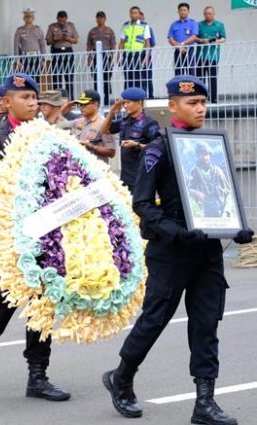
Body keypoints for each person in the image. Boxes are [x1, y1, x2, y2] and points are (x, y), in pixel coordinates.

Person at [102, 75, 253, 425]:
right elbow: (142, 204)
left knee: (205, 325)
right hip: (170, 251)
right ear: (173, 107)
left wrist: (237, 227)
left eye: (203, 103)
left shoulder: (211, 146)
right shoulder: (160, 147)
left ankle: (205, 402)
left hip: (207, 253)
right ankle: (121, 377)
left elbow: (222, 198)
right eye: (192, 103)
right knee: (155, 319)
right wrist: (176, 232)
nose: (200, 109)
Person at [0, 73, 70, 401]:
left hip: (47, 229)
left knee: (44, 299)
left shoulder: (44, 135)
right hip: (12, 232)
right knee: (7, 299)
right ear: (6, 102)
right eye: (24, 97)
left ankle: (37, 375)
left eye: (34, 97)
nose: (32, 102)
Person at [101, 87, 160, 193]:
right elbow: (104, 130)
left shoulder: (149, 123)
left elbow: (158, 148)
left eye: (128, 102)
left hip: (142, 178)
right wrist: (112, 113)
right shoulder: (124, 121)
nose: (125, 106)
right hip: (126, 177)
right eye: (124, 103)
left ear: (139, 102)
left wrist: (136, 145)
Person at [61, 89, 116, 163]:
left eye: (85, 104)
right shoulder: (78, 121)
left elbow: (111, 152)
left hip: (96, 170)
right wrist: (62, 111)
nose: (82, 107)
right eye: (80, 105)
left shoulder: (104, 124)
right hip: (79, 169)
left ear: (95, 105)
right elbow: (55, 125)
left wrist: (91, 146)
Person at [188, 142, 230, 218]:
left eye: (206, 154)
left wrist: (226, 212)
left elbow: (228, 192)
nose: (204, 157)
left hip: (220, 210)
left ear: (210, 155)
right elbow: (187, 191)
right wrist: (196, 193)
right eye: (201, 154)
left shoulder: (218, 171)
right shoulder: (194, 172)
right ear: (198, 156)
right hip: (202, 211)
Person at [118, 7, 152, 96]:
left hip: (139, 54)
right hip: (128, 54)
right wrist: (119, 55)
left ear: (139, 14)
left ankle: (141, 98)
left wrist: (146, 57)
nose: (133, 15)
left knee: (140, 78)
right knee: (128, 77)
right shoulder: (125, 25)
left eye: (135, 13)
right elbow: (121, 42)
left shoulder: (144, 25)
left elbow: (147, 42)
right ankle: (127, 98)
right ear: (129, 14)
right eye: (132, 13)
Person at [46, 11, 78, 99]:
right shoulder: (52, 27)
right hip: (57, 52)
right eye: (60, 21)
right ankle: (57, 98)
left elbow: (76, 40)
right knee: (57, 76)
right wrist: (56, 38)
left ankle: (70, 98)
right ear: (57, 19)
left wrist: (67, 38)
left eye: (64, 21)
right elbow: (48, 41)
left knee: (69, 76)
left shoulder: (71, 26)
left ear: (66, 19)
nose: (62, 23)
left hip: (68, 51)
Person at [197, 6, 226, 104]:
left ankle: (213, 99)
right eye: (205, 13)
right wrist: (202, 40)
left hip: (213, 56)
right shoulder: (199, 25)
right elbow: (195, 38)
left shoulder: (219, 25)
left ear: (213, 14)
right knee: (200, 79)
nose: (207, 15)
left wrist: (214, 41)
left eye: (209, 13)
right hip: (200, 56)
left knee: (212, 78)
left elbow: (223, 38)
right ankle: (202, 98)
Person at [87, 11, 116, 105]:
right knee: (96, 78)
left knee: (106, 78)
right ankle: (97, 101)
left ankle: (107, 100)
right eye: (98, 18)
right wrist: (89, 57)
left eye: (101, 17)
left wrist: (112, 58)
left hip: (107, 56)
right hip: (95, 55)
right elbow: (89, 45)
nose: (100, 19)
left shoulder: (109, 31)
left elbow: (113, 45)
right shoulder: (92, 31)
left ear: (105, 19)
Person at [12, 8, 47, 84]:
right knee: (25, 78)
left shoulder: (38, 29)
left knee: (37, 79)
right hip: (25, 57)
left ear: (33, 18)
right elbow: (16, 46)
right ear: (24, 18)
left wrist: (43, 59)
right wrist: (17, 61)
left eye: (30, 16)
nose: (28, 18)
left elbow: (42, 45)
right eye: (27, 17)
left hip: (36, 57)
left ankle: (36, 94)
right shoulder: (20, 30)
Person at [168, 3, 199, 76]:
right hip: (178, 51)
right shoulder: (174, 24)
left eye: (185, 10)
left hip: (189, 50)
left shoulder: (193, 23)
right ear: (178, 11)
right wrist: (178, 47)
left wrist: (182, 44)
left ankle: (191, 87)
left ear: (188, 11)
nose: (183, 12)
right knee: (178, 74)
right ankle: (180, 88)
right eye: (181, 10)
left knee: (191, 73)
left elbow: (194, 36)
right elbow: (170, 39)